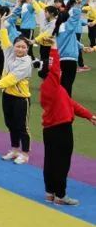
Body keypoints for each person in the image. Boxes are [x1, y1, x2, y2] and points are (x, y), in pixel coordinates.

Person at [39, 41, 96, 206]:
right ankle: (60, 195)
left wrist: (89, 116)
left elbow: (71, 104)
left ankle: (50, 193)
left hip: (51, 129)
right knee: (62, 162)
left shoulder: (56, 89)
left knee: (51, 161)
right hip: (60, 130)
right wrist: (54, 47)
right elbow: (55, 68)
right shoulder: (51, 85)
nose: (61, 71)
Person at [0, 30, 36, 165]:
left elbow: (12, 78)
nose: (20, 49)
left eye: (23, 47)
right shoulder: (9, 54)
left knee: (22, 126)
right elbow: (4, 38)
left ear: (27, 49)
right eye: (18, 46)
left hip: (21, 99)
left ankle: (25, 153)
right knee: (10, 124)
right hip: (7, 96)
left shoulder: (27, 62)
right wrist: (3, 24)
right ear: (14, 47)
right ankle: (14, 149)